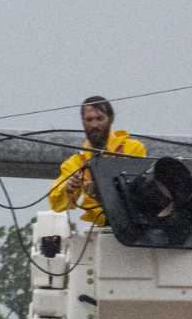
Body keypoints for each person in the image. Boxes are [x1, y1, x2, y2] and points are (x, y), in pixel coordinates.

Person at [48, 94, 148, 227]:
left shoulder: (131, 149)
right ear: (83, 122)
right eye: (89, 120)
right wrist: (68, 187)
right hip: (102, 228)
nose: (94, 125)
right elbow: (55, 203)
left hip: (135, 223)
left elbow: (139, 192)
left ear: (110, 119)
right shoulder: (77, 161)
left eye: (100, 118)